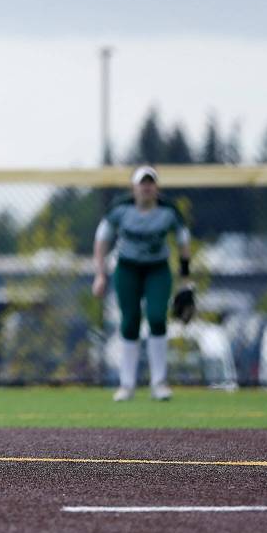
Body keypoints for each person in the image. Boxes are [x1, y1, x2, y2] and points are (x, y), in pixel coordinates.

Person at [91, 165, 193, 401]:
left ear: (156, 187)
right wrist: (100, 274)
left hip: (157, 268)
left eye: (150, 183)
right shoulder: (121, 209)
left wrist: (185, 280)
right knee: (130, 322)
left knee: (157, 317)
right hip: (128, 268)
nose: (147, 187)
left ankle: (159, 383)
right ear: (134, 187)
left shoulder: (168, 211)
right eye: (142, 183)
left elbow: (183, 241)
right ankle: (127, 384)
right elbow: (101, 240)